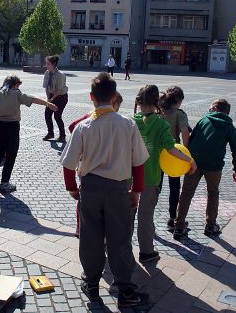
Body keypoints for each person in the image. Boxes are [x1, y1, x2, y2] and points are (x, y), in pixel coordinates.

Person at [60, 73, 149, 308]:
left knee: (91, 237)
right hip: (119, 188)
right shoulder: (127, 123)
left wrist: (72, 189)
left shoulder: (83, 126)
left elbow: (68, 164)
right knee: (120, 239)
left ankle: (91, 283)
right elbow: (139, 162)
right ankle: (126, 289)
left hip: (90, 187)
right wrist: (136, 191)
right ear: (114, 97)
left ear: (91, 97)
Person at [133, 85, 196, 262]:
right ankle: (146, 252)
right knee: (145, 216)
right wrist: (190, 160)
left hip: (129, 178)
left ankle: (121, 251)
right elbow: (171, 149)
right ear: (156, 102)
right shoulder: (161, 123)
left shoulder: (130, 121)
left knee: (127, 215)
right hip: (150, 178)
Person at [173, 99, 236, 239]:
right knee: (213, 193)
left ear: (215, 109)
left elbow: (192, 139)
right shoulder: (229, 126)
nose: (209, 110)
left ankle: (179, 227)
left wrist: (188, 159)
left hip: (195, 163)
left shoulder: (203, 120)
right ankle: (210, 226)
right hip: (214, 166)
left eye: (210, 108)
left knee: (186, 193)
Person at [0, 75, 58, 193]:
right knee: (11, 155)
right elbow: (33, 99)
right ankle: (4, 183)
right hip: (12, 127)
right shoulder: (17, 93)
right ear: (15, 84)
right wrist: (48, 104)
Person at [68, 91, 123, 237]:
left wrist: (84, 143)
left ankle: (81, 228)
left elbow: (72, 126)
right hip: (106, 170)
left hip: (86, 168)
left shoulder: (89, 116)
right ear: (113, 103)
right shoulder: (119, 121)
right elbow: (72, 127)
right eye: (117, 106)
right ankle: (99, 234)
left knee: (84, 200)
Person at [159, 86, 191, 231]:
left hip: (158, 154)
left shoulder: (159, 111)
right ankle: (172, 218)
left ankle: (147, 217)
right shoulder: (179, 114)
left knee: (155, 187)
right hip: (174, 155)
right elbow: (185, 132)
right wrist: (187, 153)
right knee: (174, 187)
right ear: (178, 101)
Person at [42, 55, 69, 142]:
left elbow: (59, 90)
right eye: (46, 63)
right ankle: (50, 133)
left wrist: (51, 99)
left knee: (57, 116)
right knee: (47, 115)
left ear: (53, 64)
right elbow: (46, 87)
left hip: (61, 97)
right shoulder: (47, 73)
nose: (46, 65)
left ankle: (62, 136)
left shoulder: (60, 75)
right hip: (51, 96)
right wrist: (48, 98)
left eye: (48, 64)